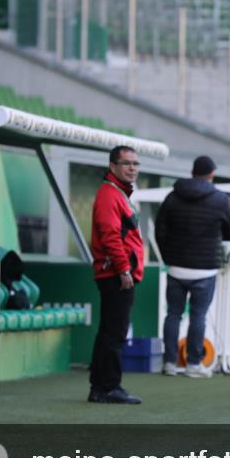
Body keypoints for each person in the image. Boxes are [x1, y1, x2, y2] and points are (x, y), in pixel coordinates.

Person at [155, 155, 230, 378]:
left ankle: (169, 363)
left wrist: (167, 256)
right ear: (211, 175)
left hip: (176, 267)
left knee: (173, 314)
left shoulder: (172, 197)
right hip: (205, 268)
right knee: (198, 316)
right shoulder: (220, 199)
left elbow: (159, 229)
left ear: (192, 172)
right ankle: (193, 364)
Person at [87, 145, 145, 404]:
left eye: (135, 163)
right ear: (113, 167)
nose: (132, 168)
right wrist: (123, 269)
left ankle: (99, 387)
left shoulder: (117, 193)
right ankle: (109, 387)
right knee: (115, 333)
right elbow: (111, 236)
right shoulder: (110, 194)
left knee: (109, 331)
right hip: (116, 273)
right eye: (126, 163)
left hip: (115, 272)